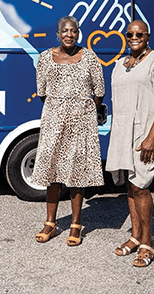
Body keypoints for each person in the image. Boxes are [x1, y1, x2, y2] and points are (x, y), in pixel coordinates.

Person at [30, 16, 105, 246]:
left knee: (76, 173)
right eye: (65, 31)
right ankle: (50, 223)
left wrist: (82, 111)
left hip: (81, 123)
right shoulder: (45, 58)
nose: (69, 35)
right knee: (53, 171)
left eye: (73, 31)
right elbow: (42, 91)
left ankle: (75, 224)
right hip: (54, 122)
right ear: (58, 34)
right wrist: (58, 109)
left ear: (78, 33)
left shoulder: (90, 57)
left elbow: (99, 90)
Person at [106, 20, 154, 267]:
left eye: (140, 34)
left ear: (148, 36)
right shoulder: (120, 64)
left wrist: (151, 137)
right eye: (130, 34)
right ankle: (135, 237)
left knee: (141, 186)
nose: (134, 37)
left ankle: (147, 243)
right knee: (131, 186)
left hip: (145, 133)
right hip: (123, 132)